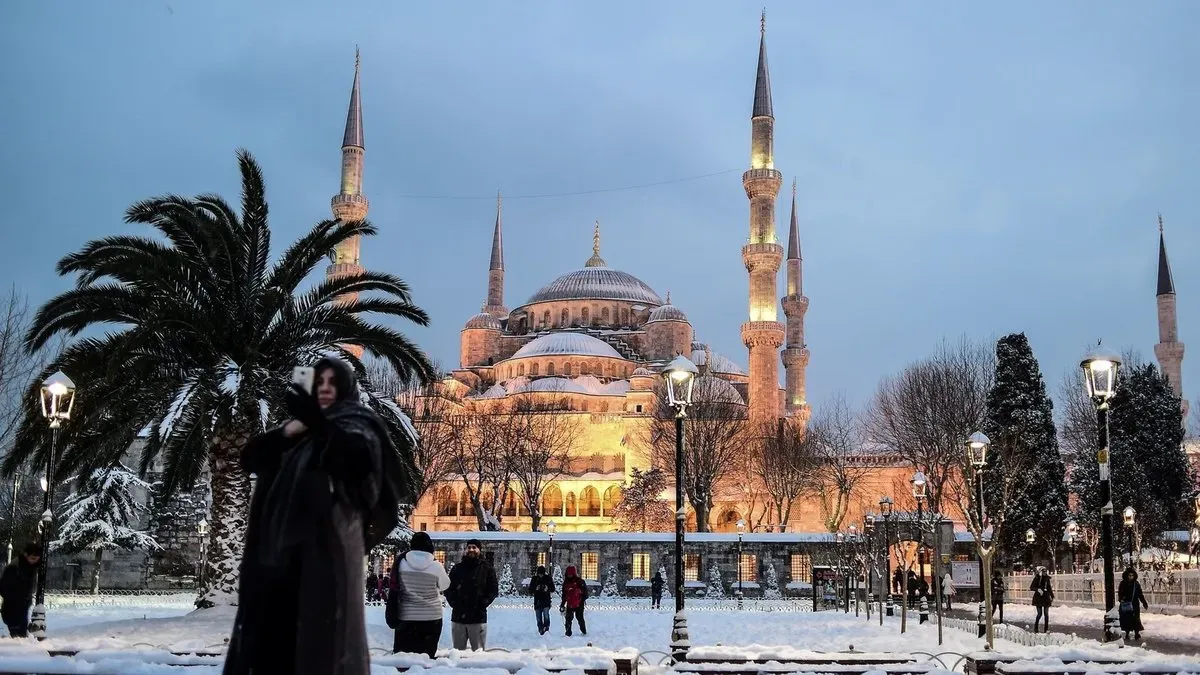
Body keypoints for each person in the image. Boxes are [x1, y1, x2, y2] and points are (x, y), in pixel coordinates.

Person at [224, 357, 407, 675]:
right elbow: (251, 459)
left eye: (332, 383)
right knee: (274, 646)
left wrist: (319, 423)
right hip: (277, 559)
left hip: (324, 555)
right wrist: (291, 429)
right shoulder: (301, 432)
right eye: (318, 382)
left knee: (320, 645)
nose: (324, 389)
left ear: (346, 388)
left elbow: (358, 463)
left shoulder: (358, 423)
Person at [392, 532, 450, 657]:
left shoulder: (401, 564)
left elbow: (395, 586)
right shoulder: (436, 566)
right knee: (427, 656)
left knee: (404, 657)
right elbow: (445, 585)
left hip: (407, 616)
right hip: (432, 617)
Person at [444, 539, 498, 650]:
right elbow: (448, 588)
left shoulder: (487, 569)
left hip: (477, 617)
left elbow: (493, 589)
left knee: (478, 653)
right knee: (457, 652)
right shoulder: (457, 568)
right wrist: (454, 603)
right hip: (459, 617)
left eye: (474, 547)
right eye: (469, 547)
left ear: (479, 550)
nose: (471, 550)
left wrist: (483, 603)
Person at [0, 543, 41, 638]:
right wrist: (16, 598)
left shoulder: (30, 566)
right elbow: (3, 587)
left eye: (37, 559)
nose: (34, 561)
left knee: (20, 636)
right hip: (12, 609)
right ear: (26, 555)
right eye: (33, 558)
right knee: (18, 637)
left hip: (22, 607)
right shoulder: (15, 567)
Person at [1118, 567, 1149, 642]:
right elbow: (1120, 593)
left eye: (1132, 575)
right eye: (1129, 575)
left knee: (1136, 619)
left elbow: (1140, 594)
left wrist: (1144, 602)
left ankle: (1136, 633)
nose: (1131, 577)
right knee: (1126, 619)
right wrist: (1121, 599)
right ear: (1126, 575)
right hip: (1126, 603)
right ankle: (1127, 632)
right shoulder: (1123, 583)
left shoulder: (1136, 584)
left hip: (1134, 604)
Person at [560, 565, 589, 636]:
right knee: (571, 618)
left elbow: (585, 593)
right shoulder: (572, 582)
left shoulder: (577, 582)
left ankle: (581, 631)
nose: (569, 576)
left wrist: (581, 599)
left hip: (576, 603)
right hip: (573, 603)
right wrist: (563, 604)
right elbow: (564, 595)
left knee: (576, 618)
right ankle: (570, 632)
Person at [529, 565, 555, 635]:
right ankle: (540, 629)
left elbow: (553, 588)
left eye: (542, 574)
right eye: (539, 574)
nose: (540, 575)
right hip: (537, 600)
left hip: (546, 600)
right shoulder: (534, 579)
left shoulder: (548, 578)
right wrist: (535, 588)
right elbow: (530, 590)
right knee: (538, 617)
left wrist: (547, 588)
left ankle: (546, 627)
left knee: (546, 615)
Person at [1029, 566, 1054, 633]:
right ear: (1040, 572)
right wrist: (1038, 589)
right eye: (1043, 571)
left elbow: (1049, 587)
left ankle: (1046, 629)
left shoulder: (1047, 579)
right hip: (1039, 598)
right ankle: (1036, 628)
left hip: (1046, 597)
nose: (1045, 573)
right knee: (1039, 613)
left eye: (1045, 571)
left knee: (1046, 614)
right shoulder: (1037, 578)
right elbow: (1031, 587)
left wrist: (1052, 596)